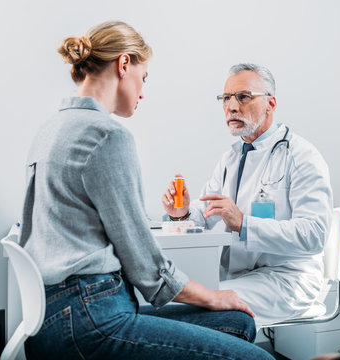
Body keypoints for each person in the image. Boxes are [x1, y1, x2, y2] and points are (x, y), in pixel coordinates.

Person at [19, 22, 274, 360]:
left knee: (237, 323)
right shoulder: (107, 135)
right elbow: (146, 268)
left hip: (45, 322)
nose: (142, 92)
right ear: (124, 65)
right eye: (144, 78)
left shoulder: (49, 129)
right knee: (258, 357)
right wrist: (213, 296)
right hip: (92, 318)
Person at [162, 63, 333, 327]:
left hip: (286, 279)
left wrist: (243, 223)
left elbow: (314, 235)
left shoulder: (301, 156)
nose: (231, 106)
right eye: (226, 98)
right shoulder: (231, 157)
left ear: (270, 104)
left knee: (196, 313)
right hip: (240, 276)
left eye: (243, 97)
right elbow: (207, 210)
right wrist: (182, 212)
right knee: (175, 302)